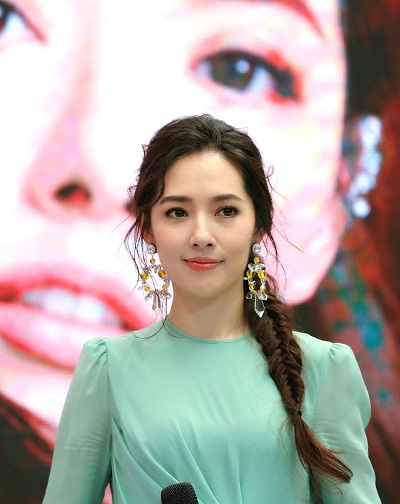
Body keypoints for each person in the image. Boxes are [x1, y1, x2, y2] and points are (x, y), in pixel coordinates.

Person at [0, 1, 399, 502]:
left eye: (239, 69)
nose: (100, 167)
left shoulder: (325, 372)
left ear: (338, 194)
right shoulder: (104, 365)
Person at [43, 114, 380, 503]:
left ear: (259, 225)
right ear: (148, 227)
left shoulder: (323, 368)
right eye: (177, 212)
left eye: (226, 211)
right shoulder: (108, 369)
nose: (201, 235)